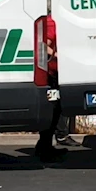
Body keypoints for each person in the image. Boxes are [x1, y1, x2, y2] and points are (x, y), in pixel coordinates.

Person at [34, 13, 68, 163]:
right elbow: (43, 44)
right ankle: (44, 148)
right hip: (51, 73)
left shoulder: (54, 21)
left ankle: (44, 146)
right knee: (54, 110)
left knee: (56, 110)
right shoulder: (52, 23)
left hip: (54, 72)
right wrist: (58, 55)